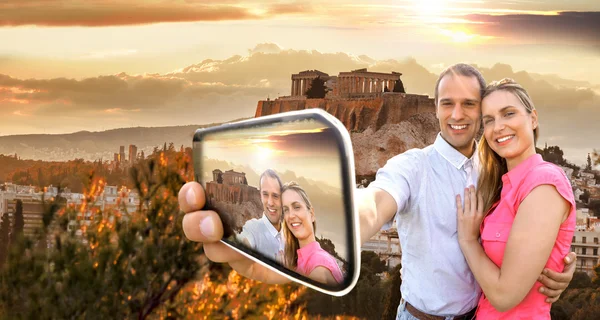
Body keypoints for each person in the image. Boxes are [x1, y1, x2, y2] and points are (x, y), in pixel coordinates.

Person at [179, 63, 577, 319]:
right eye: (447, 104)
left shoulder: (497, 174)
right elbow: (373, 204)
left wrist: (557, 268)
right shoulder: (413, 166)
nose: (457, 115)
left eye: (471, 105)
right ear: (433, 108)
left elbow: (522, 234)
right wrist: (329, 235)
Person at [456, 78, 576, 318]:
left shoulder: (544, 184)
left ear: (533, 119)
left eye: (508, 113)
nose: (498, 126)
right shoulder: (502, 187)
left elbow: (504, 296)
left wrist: (468, 241)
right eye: (489, 120)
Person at [280, 181, 344, 285]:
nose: (291, 215)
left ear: (312, 214)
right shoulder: (297, 260)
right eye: (286, 210)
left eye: (296, 207)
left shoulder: (318, 266)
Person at [236, 169, 285, 263]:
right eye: (265, 194)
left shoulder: (290, 236)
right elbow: (243, 244)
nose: (270, 203)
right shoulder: (252, 228)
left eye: (275, 196)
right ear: (260, 196)